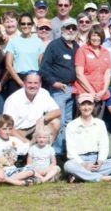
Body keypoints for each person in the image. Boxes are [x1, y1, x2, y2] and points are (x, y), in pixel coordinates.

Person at [39, 16, 78, 155]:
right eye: (68, 27)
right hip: (58, 90)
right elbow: (43, 68)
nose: (71, 30)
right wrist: (53, 82)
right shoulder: (54, 45)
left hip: (72, 89)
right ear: (62, 29)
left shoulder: (76, 46)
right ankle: (53, 152)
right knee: (57, 121)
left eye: (74, 28)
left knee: (68, 122)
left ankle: (63, 151)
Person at [64, 94, 111, 182]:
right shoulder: (71, 125)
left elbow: (104, 144)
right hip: (79, 160)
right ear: (79, 106)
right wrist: (83, 164)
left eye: (89, 104)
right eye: (83, 104)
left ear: (93, 106)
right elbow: (71, 151)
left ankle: (80, 176)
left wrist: (100, 160)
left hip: (96, 159)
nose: (86, 107)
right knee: (68, 166)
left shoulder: (100, 123)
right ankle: (102, 177)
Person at [2, 72, 61, 139]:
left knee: (55, 122)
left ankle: (46, 148)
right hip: (18, 131)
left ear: (40, 84)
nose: (32, 86)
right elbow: (8, 127)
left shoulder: (43, 93)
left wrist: (43, 119)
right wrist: (27, 143)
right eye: (29, 83)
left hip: (36, 128)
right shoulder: (13, 99)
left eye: (36, 83)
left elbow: (57, 111)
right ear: (24, 84)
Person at [0, 116, 35, 186]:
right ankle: (18, 182)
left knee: (30, 171)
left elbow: (28, 146)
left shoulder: (14, 140)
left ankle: (4, 180)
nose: (7, 132)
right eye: (4, 129)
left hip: (12, 170)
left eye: (10, 129)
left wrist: (36, 138)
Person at [73, 26, 111, 117]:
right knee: (83, 120)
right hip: (84, 92)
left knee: (97, 122)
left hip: (100, 94)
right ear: (89, 37)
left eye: (98, 36)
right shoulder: (82, 50)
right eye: (94, 35)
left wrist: (103, 91)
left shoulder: (105, 52)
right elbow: (79, 74)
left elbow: (107, 73)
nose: (96, 38)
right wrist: (92, 92)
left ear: (102, 37)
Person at [4, 13, 46, 89]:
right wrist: (20, 82)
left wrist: (38, 80)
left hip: (33, 78)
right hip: (17, 79)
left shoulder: (38, 42)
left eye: (28, 23)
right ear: (19, 25)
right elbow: (8, 65)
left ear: (32, 25)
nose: (26, 26)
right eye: (23, 24)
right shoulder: (13, 41)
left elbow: (41, 64)